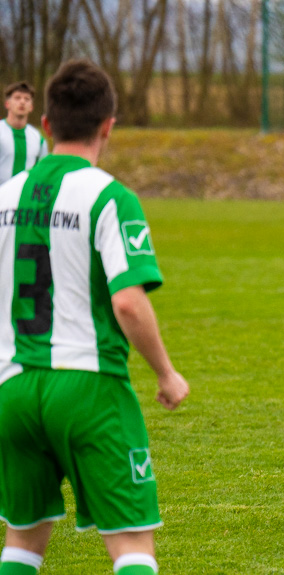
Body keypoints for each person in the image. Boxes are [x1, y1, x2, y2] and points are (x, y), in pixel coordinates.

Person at [0, 60, 189, 575]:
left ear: (45, 126)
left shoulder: (5, 197)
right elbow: (128, 301)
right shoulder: (110, 196)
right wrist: (166, 374)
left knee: (22, 540)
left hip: (13, 388)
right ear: (108, 125)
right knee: (131, 545)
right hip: (89, 387)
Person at [0, 82, 49, 185]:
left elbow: (43, 173)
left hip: (24, 198)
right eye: (17, 98)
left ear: (31, 107)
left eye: (26, 99)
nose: (22, 102)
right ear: (7, 104)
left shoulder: (38, 139)